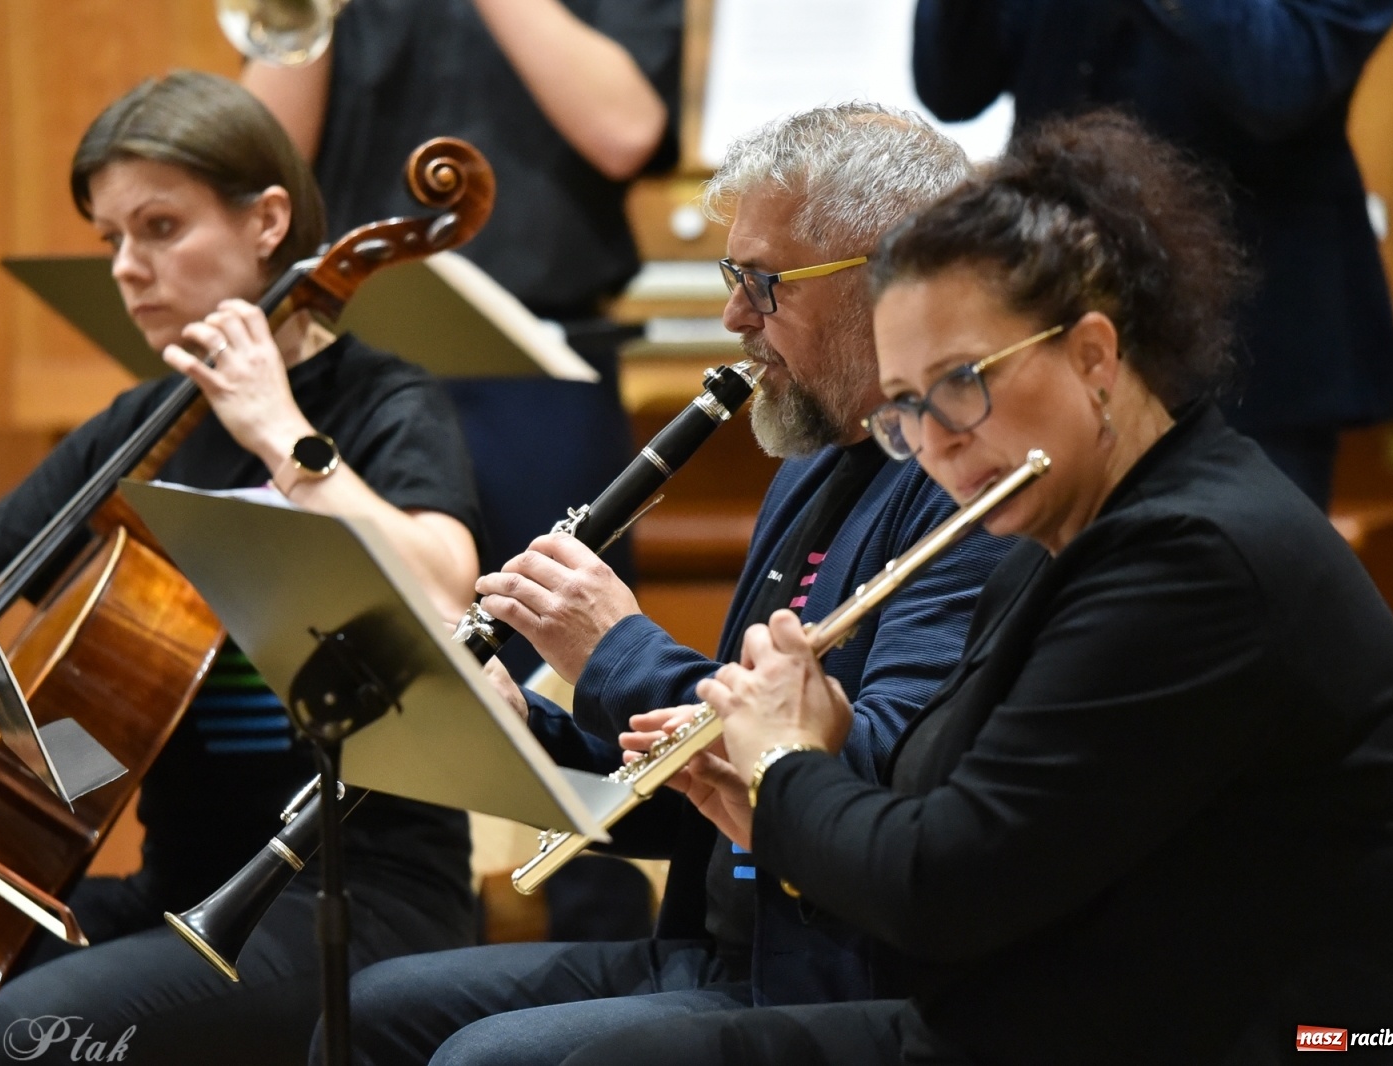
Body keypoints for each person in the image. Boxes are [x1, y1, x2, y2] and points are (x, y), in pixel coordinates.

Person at [566, 112, 1393, 1066]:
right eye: (905, 405)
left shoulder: (1191, 562)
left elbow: (940, 887)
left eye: (960, 385)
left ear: (1094, 356)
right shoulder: (1063, 528)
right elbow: (940, 824)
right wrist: (794, 767)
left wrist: (785, 770)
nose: (936, 443)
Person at [311, 103, 1013, 1066]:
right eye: (735, 278)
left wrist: (615, 649)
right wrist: (520, 730)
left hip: (838, 970)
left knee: (488, 1060)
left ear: (889, 280)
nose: (735, 316)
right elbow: (705, 770)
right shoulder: (813, 459)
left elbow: (874, 768)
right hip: (717, 943)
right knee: (375, 1009)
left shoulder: (966, 488)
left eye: (764, 285)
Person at [0, 71, 486, 1064]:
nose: (126, 267)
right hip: (184, 891)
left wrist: (280, 431)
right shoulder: (142, 424)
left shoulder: (383, 406)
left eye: (159, 227)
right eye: (111, 238)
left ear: (267, 221)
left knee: (31, 1028)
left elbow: (444, 590)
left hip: (348, 893)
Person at [244, 0, 684, 678]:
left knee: (556, 660)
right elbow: (255, 166)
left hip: (539, 374)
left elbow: (625, 131)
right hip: (350, 361)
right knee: (364, 666)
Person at [911, 0, 1393, 510]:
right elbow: (951, 86)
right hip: (1056, 313)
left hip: (1255, 341)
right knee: (1061, 575)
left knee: (1231, 574)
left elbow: (1279, 80)